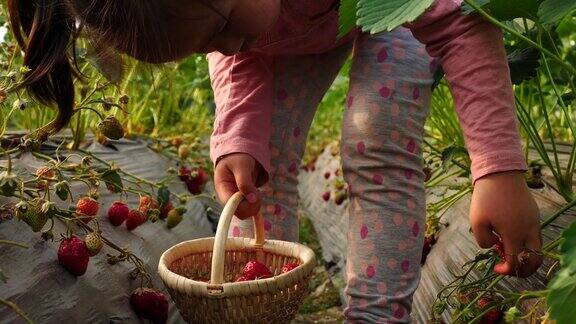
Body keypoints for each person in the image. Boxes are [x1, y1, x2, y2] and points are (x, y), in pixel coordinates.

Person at [8, 0, 542, 321]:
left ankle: (377, 317)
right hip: (294, 28)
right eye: (207, 43)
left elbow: (459, 25)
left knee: (375, 138)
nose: (224, 43)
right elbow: (238, 51)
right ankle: (260, 307)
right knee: (258, 162)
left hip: (399, 6)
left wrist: (497, 169)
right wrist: (238, 134)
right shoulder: (234, 22)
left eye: (219, 26)